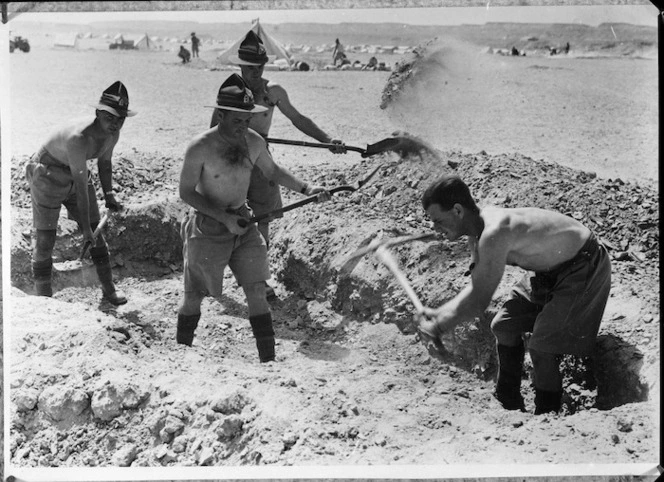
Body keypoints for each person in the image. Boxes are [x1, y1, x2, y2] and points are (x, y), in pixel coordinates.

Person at [417, 174, 611, 415]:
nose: (435, 228)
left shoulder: (494, 233)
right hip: (547, 273)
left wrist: (439, 325)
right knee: (503, 326)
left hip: (583, 266)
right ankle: (507, 398)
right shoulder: (477, 233)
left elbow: (479, 300)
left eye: (438, 221)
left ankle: (546, 414)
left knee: (542, 348)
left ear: (457, 210)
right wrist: (438, 313)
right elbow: (476, 286)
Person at [178, 73, 331, 362]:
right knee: (195, 295)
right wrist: (222, 218)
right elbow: (186, 192)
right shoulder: (199, 147)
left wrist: (307, 188)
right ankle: (181, 354)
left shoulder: (253, 141)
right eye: (237, 120)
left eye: (248, 120)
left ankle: (268, 362)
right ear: (220, 115)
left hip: (244, 224)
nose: (243, 127)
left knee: (257, 291)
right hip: (209, 227)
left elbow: (272, 172)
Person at [210, 30, 346, 298]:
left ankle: (258, 279)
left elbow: (298, 119)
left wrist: (327, 140)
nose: (254, 72)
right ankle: (217, 274)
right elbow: (213, 129)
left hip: (261, 158)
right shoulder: (230, 91)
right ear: (240, 65)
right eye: (249, 67)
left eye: (259, 66)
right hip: (232, 160)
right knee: (228, 217)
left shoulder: (273, 90)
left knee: (263, 218)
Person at [24, 81, 135, 305]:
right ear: (97, 113)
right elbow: (82, 189)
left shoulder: (112, 134)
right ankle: (44, 302)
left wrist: (110, 194)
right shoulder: (79, 138)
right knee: (46, 239)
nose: (115, 123)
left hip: (77, 173)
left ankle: (109, 290)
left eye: (120, 119)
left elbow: (105, 163)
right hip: (48, 174)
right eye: (110, 117)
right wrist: (84, 229)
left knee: (96, 233)